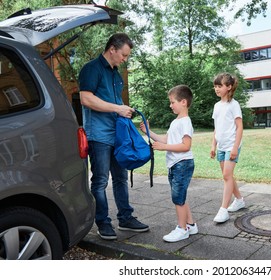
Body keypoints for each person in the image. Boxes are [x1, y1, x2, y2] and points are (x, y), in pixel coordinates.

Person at [79, 33, 149, 240]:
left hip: (116, 133)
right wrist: (118, 109)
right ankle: (103, 222)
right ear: (112, 49)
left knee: (120, 177)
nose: (125, 59)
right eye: (124, 55)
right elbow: (86, 99)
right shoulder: (91, 69)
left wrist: (124, 111)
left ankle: (125, 218)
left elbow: (114, 102)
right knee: (100, 180)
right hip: (98, 135)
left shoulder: (116, 74)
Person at [140, 85, 198, 242]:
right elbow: (166, 140)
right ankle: (190, 225)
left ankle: (182, 229)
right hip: (175, 164)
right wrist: (148, 132)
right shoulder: (176, 122)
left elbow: (186, 146)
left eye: (173, 102)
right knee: (181, 196)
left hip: (182, 164)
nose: (170, 105)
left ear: (183, 102)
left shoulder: (185, 122)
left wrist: (164, 148)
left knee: (178, 198)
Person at [210, 72, 245, 223]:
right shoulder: (217, 106)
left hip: (232, 146)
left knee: (226, 175)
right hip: (221, 146)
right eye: (215, 86)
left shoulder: (234, 105)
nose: (216, 89)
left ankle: (223, 210)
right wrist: (213, 145)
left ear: (229, 87)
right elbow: (216, 128)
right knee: (227, 176)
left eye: (219, 86)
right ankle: (239, 200)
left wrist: (235, 147)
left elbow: (240, 127)